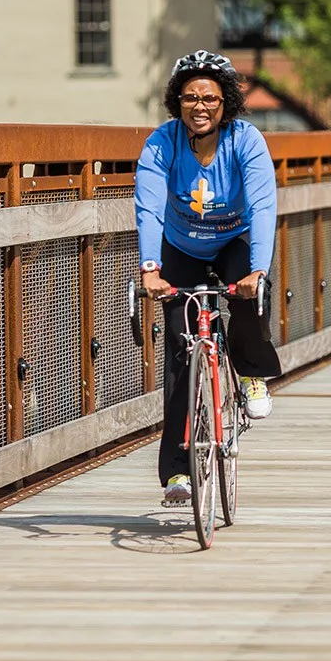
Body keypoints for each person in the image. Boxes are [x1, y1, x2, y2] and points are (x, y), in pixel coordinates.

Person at [135, 50, 283, 503]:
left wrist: (258, 270)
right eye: (190, 97)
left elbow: (262, 205)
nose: (199, 107)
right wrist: (150, 268)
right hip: (181, 247)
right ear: (176, 101)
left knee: (247, 298)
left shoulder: (245, 140)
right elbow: (148, 207)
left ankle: (251, 373)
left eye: (210, 99)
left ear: (226, 103)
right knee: (180, 353)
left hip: (234, 240)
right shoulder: (162, 143)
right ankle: (177, 473)